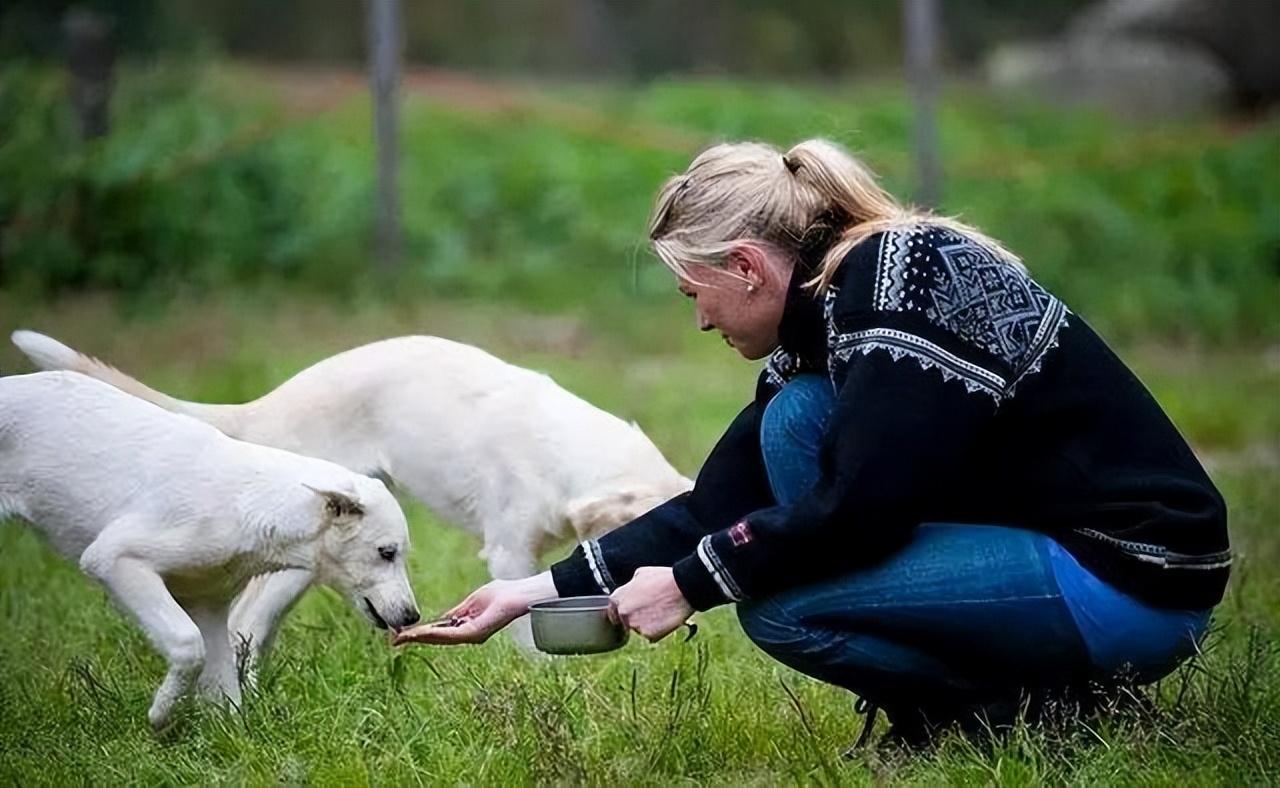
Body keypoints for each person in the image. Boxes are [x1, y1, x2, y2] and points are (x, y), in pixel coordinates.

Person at [395, 139, 1230, 747]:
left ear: (748, 266)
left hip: (1134, 581)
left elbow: (866, 510)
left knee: (785, 609)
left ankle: (1025, 715)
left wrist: (690, 583)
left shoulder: (896, 286)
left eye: (698, 291)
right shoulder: (829, 310)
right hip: (1046, 547)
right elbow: (722, 497)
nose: (698, 319)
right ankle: (999, 707)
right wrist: (534, 590)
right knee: (796, 420)